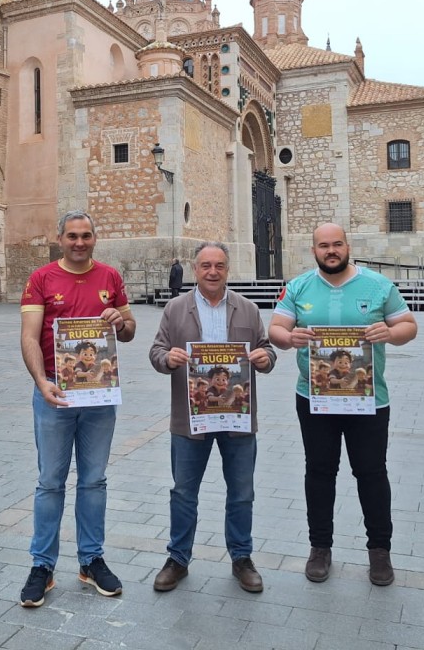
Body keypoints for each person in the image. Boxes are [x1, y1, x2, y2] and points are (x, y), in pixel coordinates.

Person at [268, 223, 417, 587]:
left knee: (371, 474)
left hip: (368, 401)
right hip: (314, 400)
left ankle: (379, 551)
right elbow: (275, 328)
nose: (330, 251)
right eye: (323, 246)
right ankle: (320, 548)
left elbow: (409, 326)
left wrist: (390, 333)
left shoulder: (379, 286)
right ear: (314, 250)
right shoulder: (299, 287)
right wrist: (290, 337)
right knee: (319, 473)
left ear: (348, 246)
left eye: (336, 244)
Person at [19, 210, 137, 607]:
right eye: (72, 236)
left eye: (86, 235)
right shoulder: (41, 279)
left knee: (94, 481)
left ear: (94, 238)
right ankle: (42, 566)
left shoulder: (110, 277)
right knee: (50, 482)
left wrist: (118, 319)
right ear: (61, 238)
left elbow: (131, 330)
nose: (79, 242)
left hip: (99, 396)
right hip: (55, 391)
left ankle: (91, 560)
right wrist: (41, 382)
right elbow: (29, 337)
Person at [148, 241, 275, 593]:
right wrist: (167, 358)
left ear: (228, 269)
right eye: (206, 265)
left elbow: (266, 348)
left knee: (241, 492)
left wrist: (266, 359)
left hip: (237, 420)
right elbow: (156, 351)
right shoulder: (175, 309)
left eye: (219, 265)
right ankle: (177, 559)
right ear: (195, 269)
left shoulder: (247, 309)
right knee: (184, 492)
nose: (213, 272)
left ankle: (241, 557)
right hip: (191, 421)